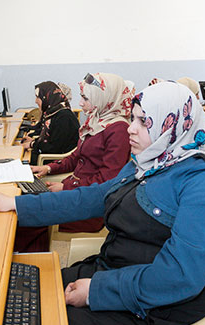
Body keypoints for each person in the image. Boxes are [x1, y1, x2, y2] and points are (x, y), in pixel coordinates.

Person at [0, 81, 205, 325]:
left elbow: (178, 277)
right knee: (18, 291)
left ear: (174, 124)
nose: (130, 128)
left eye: (143, 121)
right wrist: (17, 205)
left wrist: (96, 290)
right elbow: (92, 197)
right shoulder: (148, 164)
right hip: (118, 279)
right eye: (133, 117)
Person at [17, 72, 132, 252]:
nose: (79, 103)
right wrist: (47, 167)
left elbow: (108, 181)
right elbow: (75, 157)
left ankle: (27, 266)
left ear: (103, 97)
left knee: (29, 217)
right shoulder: (97, 121)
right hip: (76, 191)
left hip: (90, 205)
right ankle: (33, 261)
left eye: (86, 98)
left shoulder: (119, 130)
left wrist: (66, 188)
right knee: (28, 205)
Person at [21, 81, 79, 165]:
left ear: (47, 98)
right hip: (52, 155)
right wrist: (35, 141)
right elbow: (52, 140)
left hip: (57, 161)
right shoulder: (54, 113)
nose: (36, 101)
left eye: (38, 97)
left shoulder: (64, 117)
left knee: (19, 161)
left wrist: (32, 144)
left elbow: (54, 147)